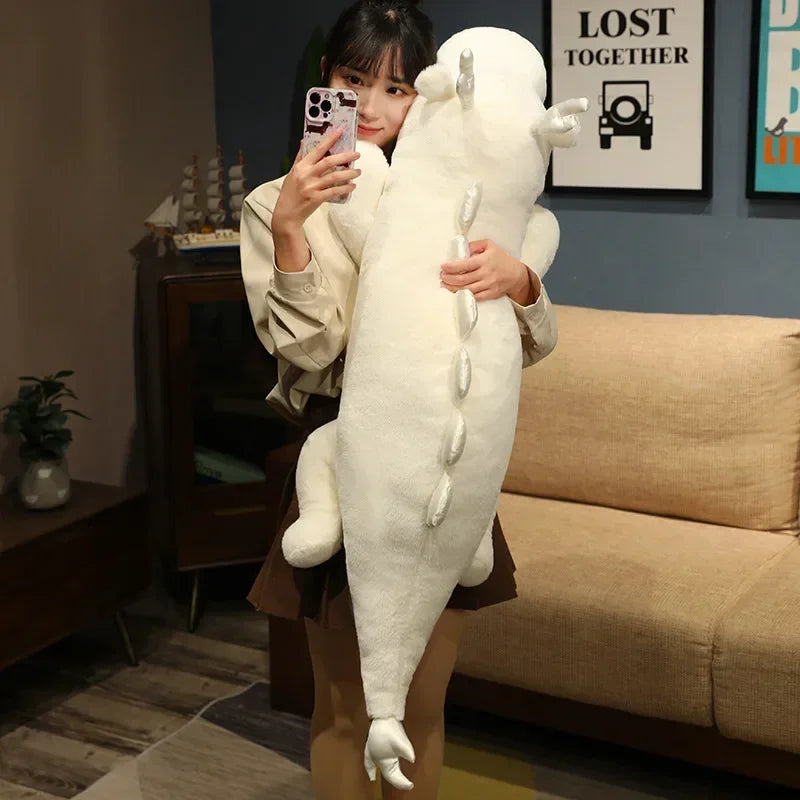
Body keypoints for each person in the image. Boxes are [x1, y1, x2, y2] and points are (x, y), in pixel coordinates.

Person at [241, 1, 559, 797]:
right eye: (355, 82)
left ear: (430, 95)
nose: (376, 109)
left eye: (398, 89)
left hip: (444, 473)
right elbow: (309, 351)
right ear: (328, 84)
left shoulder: (462, 195)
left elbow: (526, 348)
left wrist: (521, 284)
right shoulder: (278, 203)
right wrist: (290, 232)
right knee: (346, 710)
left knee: (423, 707)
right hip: (348, 461)